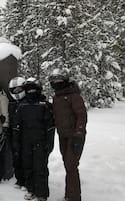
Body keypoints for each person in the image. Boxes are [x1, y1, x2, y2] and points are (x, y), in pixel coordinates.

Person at [13, 78, 55, 201]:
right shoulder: (22, 105)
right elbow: (16, 126)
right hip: (25, 141)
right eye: (28, 90)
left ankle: (42, 193)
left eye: (33, 89)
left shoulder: (45, 105)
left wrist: (49, 143)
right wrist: (16, 142)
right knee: (28, 166)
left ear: (38, 90)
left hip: (40, 142)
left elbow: (50, 127)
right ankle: (31, 189)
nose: (31, 92)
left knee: (40, 168)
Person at [49, 68, 87, 201]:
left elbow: (81, 116)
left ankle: (74, 196)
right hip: (62, 135)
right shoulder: (56, 98)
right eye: (54, 80)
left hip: (74, 136)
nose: (57, 82)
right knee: (67, 164)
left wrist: (78, 133)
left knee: (71, 165)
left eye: (59, 80)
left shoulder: (74, 96)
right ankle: (69, 193)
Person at [8, 76, 27, 189]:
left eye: (19, 89)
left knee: (26, 158)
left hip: (26, 134)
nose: (17, 92)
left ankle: (26, 180)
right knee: (16, 157)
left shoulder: (28, 102)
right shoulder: (11, 104)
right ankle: (20, 179)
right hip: (14, 134)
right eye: (14, 90)